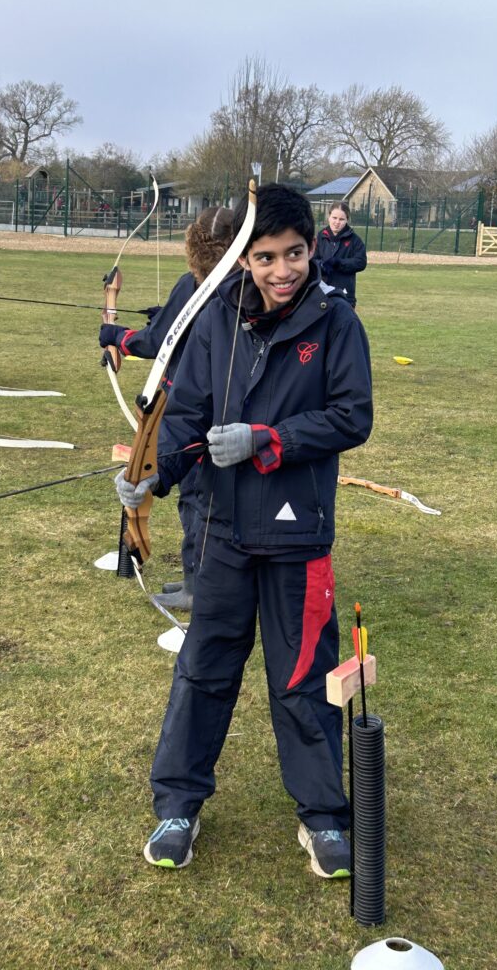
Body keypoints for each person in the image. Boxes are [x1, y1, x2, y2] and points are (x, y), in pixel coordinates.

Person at [115, 183, 373, 877]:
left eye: (294, 253)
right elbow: (187, 417)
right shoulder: (217, 320)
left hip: (298, 537)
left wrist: (268, 438)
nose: (281, 270)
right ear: (243, 258)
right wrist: (153, 473)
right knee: (204, 669)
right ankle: (178, 804)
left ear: (313, 248)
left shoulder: (336, 322)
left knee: (302, 678)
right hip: (224, 532)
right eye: (264, 257)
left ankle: (323, 818)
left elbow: (353, 417)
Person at [99, 206, 235, 611]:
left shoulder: (196, 283)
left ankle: (200, 586)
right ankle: (196, 576)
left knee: (197, 498)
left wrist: (117, 336)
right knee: (197, 496)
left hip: (193, 403)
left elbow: (158, 340)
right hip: (215, 406)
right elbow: (175, 324)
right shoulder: (236, 284)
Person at [313, 201, 367, 308]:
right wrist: (322, 265)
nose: (337, 222)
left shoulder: (354, 240)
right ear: (329, 217)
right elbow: (312, 259)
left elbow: (361, 262)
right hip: (322, 293)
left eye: (341, 219)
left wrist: (338, 263)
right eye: (334, 218)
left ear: (347, 220)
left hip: (345, 294)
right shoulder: (320, 237)